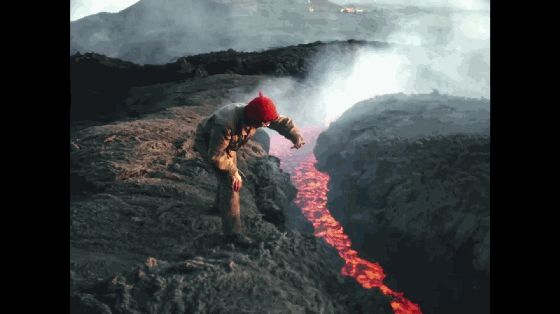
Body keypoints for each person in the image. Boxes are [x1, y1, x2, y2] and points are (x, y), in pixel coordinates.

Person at [196, 92, 305, 246]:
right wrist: (233, 172)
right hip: (210, 144)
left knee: (227, 177)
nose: (267, 125)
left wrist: (296, 137)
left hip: (229, 145)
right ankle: (232, 235)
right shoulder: (225, 123)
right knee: (231, 183)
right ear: (254, 119)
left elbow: (281, 122)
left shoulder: (261, 114)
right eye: (264, 123)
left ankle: (219, 207)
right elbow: (216, 155)